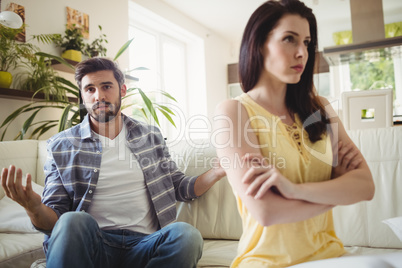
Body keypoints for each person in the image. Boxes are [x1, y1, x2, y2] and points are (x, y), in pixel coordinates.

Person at [1, 57, 226, 268]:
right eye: (90, 89)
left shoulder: (149, 136)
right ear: (83, 96)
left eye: (106, 86)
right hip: (94, 245)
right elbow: (55, 223)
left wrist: (216, 172)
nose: (98, 95)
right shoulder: (62, 145)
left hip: (145, 245)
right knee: (72, 221)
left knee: (186, 235)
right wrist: (33, 207)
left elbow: (179, 187)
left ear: (122, 90)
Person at [213, 0, 375, 267]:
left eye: (307, 42)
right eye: (289, 39)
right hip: (266, 262)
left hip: (332, 257)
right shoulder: (233, 112)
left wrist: (291, 190)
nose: (302, 52)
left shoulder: (321, 107)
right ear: (258, 44)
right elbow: (266, 211)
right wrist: (336, 193)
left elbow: (366, 186)